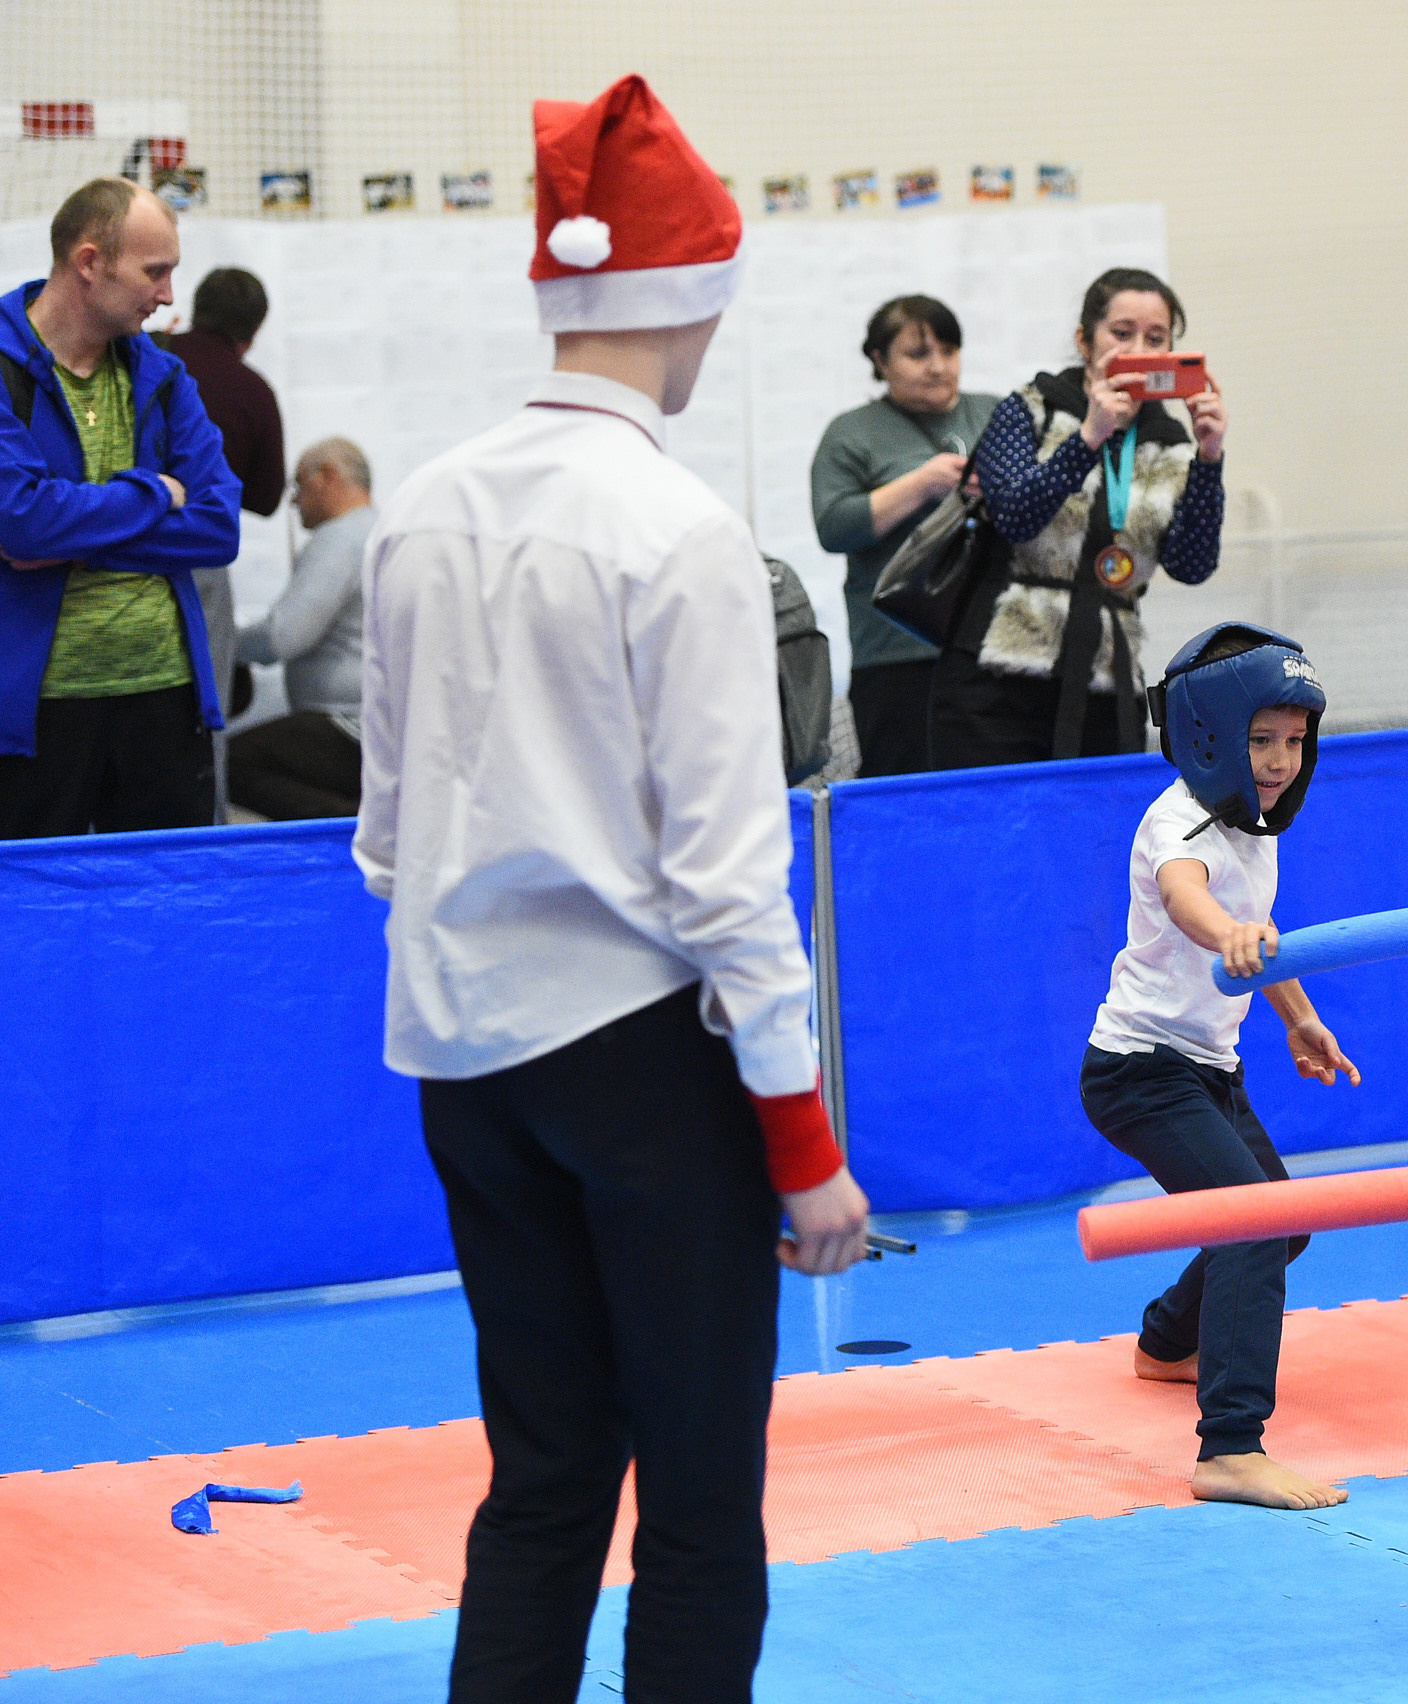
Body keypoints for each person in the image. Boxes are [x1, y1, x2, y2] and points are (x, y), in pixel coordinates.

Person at [354, 76, 870, 1701]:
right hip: (643, 1061)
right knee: (703, 1498)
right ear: (698, 301)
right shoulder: (682, 529)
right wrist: (806, 1150)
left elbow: (382, 832)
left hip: (463, 1057)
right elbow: (732, 882)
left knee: (546, 1473)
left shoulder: (420, 511)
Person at [1080, 623, 1357, 1512]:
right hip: (1138, 1070)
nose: (1279, 761)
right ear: (1208, 734)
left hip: (1207, 1066)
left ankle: (1167, 1342)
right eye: (1260, 740)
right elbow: (1189, 896)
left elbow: (1256, 935)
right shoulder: (1178, 819)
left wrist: (1301, 1019)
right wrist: (1227, 935)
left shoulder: (1257, 821)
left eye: (1294, 741)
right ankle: (1230, 1448)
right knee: (1251, 1225)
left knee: (1288, 1223)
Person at [0, 177, 241, 838]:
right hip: (37, 711)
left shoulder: (165, 378)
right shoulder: (4, 370)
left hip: (164, 699)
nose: (168, 295)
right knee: (37, 919)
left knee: (169, 909)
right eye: (155, 272)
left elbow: (218, 526)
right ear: (88, 263)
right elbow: (20, 520)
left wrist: (64, 535)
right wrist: (154, 492)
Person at [929, 267, 1228, 769]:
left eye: (1156, 338)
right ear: (1084, 342)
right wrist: (1088, 436)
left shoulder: (1171, 438)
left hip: (1109, 680)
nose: (1137, 350)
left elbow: (1192, 565)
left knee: (1095, 842)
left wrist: (1210, 457)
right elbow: (1015, 518)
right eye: (1121, 332)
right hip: (998, 678)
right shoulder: (1033, 408)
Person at [809, 294, 997, 776]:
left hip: (996, 645)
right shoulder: (852, 433)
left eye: (949, 351)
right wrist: (924, 484)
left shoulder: (996, 414)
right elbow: (834, 527)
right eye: (918, 354)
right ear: (879, 360)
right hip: (896, 654)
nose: (938, 367)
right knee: (906, 800)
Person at [166, 266, 286, 735]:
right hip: (197, 559)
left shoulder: (147, 354)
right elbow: (266, 497)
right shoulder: (251, 390)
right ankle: (207, 809)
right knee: (204, 710)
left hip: (110, 545)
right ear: (252, 333)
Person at [228, 438, 373, 819]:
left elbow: (285, 636)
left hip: (348, 720)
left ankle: (346, 824)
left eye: (298, 486)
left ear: (325, 477)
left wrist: (224, 642)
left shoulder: (341, 539)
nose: (293, 502)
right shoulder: (383, 530)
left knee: (228, 763)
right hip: (380, 717)